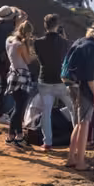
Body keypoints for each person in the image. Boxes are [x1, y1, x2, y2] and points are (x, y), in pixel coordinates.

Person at [64, 23, 94, 173]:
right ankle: (81, 162)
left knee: (78, 123)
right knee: (84, 124)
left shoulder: (79, 41)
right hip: (84, 87)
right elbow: (90, 75)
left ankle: (71, 158)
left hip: (71, 85)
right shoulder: (93, 47)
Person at [35, 14, 73, 150]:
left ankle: (47, 143)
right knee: (72, 109)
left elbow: (41, 61)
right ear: (57, 26)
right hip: (60, 80)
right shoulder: (64, 42)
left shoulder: (37, 42)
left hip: (44, 79)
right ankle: (78, 139)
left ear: (45, 26)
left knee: (46, 112)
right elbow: (66, 57)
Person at [4, 17, 36, 148]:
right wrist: (35, 53)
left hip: (12, 74)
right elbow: (28, 60)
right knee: (19, 108)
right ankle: (16, 136)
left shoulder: (9, 40)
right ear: (27, 33)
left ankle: (14, 136)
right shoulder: (21, 45)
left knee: (17, 106)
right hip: (22, 76)